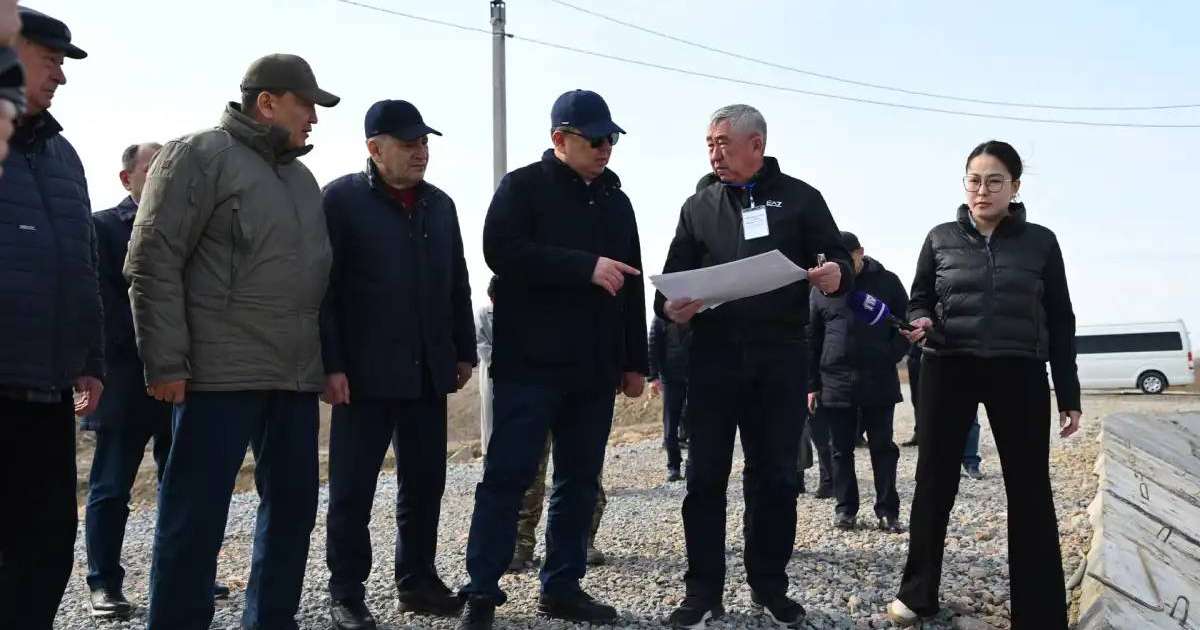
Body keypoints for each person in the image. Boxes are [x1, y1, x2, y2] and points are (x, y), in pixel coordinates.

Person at [126, 53, 339, 630]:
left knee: (293, 511)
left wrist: (324, 365)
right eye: (307, 106)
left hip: (292, 377)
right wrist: (165, 362)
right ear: (267, 102)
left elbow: (315, 280)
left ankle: (271, 620)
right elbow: (152, 260)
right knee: (194, 519)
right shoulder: (198, 155)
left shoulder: (301, 179)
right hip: (216, 376)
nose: (314, 120)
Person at [656, 104, 852, 629]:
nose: (714, 152)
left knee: (774, 478)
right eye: (709, 144)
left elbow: (839, 260)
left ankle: (769, 586)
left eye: (723, 142)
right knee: (704, 479)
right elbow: (673, 279)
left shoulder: (801, 199)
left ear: (756, 144)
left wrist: (835, 273)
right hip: (713, 359)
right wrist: (671, 307)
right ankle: (702, 591)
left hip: (779, 358)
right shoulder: (698, 207)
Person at [459, 89, 648, 630]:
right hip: (530, 366)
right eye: (594, 138)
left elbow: (631, 285)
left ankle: (562, 586)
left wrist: (636, 361)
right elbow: (501, 250)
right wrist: (583, 267)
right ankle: (482, 590)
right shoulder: (522, 187)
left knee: (579, 481)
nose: (605, 147)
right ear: (559, 139)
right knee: (507, 477)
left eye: (610, 137)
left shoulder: (617, 201)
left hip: (593, 369)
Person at [887, 140, 1082, 629]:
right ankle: (918, 594)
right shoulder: (939, 238)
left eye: (995, 180)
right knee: (934, 480)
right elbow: (919, 299)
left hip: (1019, 370)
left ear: (1015, 187)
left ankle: (1038, 613)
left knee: (1030, 488)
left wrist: (1069, 393)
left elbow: (1060, 318)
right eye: (974, 179)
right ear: (964, 184)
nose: (983, 190)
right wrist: (922, 319)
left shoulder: (1041, 241)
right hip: (948, 365)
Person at [320, 99, 475, 629]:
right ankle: (346, 592)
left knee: (425, 482)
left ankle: (417, 581)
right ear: (374, 147)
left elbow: (457, 280)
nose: (420, 153)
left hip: (427, 371)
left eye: (424, 143)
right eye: (408, 144)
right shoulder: (340, 201)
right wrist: (331, 363)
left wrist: (462, 349)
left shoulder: (441, 205)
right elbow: (326, 290)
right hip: (362, 375)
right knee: (352, 489)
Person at [83, 143, 236, 620]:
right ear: (127, 178)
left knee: (187, 484)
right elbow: (103, 305)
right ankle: (103, 584)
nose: (160, 178)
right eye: (151, 169)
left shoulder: (191, 228)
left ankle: (187, 576)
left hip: (186, 379)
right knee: (111, 487)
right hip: (127, 379)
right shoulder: (103, 228)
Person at [0, 9, 97, 628]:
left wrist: (89, 360)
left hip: (46, 390)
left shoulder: (62, 156)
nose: (60, 75)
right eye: (50, 58)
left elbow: (81, 264)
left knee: (48, 544)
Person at [807, 231, 908, 532]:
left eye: (846, 256)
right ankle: (845, 509)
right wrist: (811, 384)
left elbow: (905, 325)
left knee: (882, 447)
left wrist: (889, 354)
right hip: (835, 381)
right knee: (840, 449)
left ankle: (888, 511)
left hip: (879, 379)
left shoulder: (887, 282)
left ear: (860, 252)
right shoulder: (821, 288)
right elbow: (811, 337)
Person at [902, 347, 985, 481]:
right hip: (934, 357)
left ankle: (971, 463)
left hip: (965, 356)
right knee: (937, 415)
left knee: (970, 416)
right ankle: (945, 464)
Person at [648, 315, 692, 482]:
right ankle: (673, 467)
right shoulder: (661, 317)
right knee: (670, 425)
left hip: (694, 376)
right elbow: (652, 346)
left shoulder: (698, 313)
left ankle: (692, 465)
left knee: (693, 421)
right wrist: (653, 378)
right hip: (669, 378)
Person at [478, 276, 496, 454]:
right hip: (490, 369)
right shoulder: (483, 313)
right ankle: (488, 457)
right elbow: (481, 343)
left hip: (512, 373)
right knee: (489, 418)